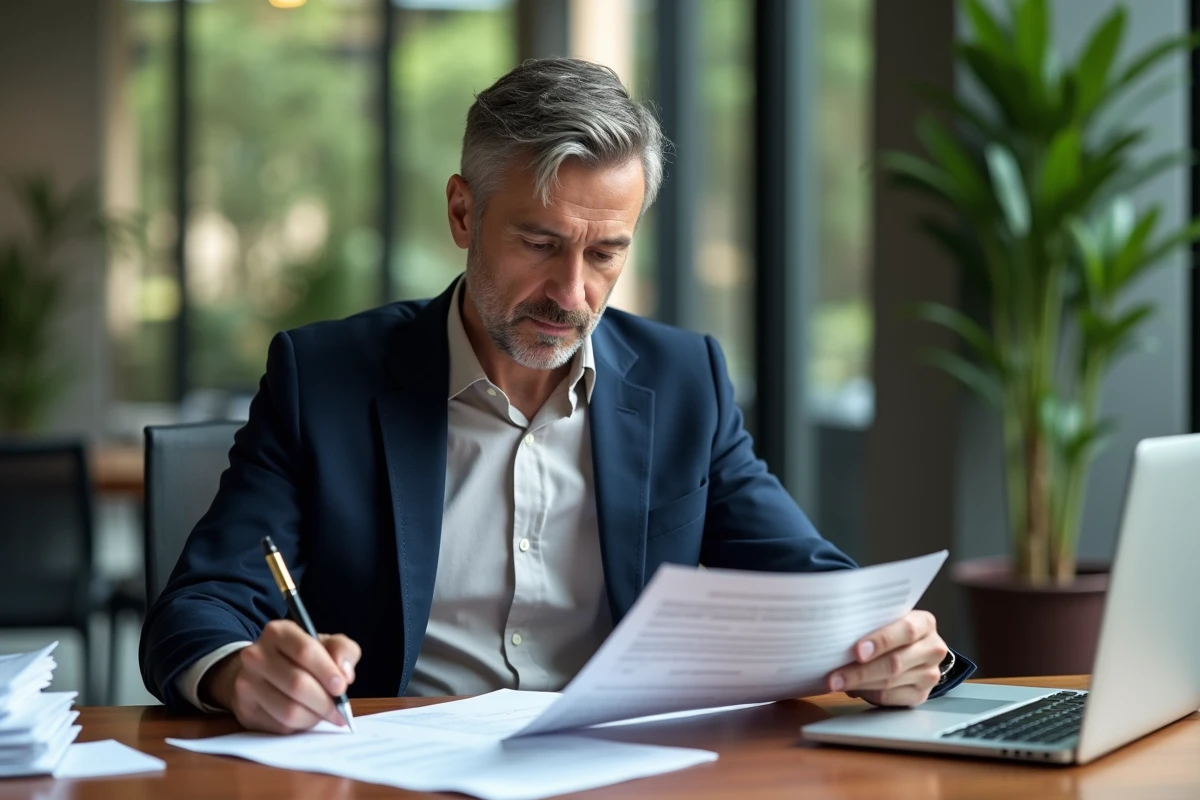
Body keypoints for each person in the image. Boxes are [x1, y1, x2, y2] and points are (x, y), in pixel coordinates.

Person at [139, 58, 973, 734]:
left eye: (606, 252)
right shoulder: (321, 379)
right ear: (463, 213)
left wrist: (895, 647)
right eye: (540, 243)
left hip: (622, 772)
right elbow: (201, 606)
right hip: (394, 774)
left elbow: (812, 585)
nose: (571, 293)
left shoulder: (685, 381)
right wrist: (240, 675)